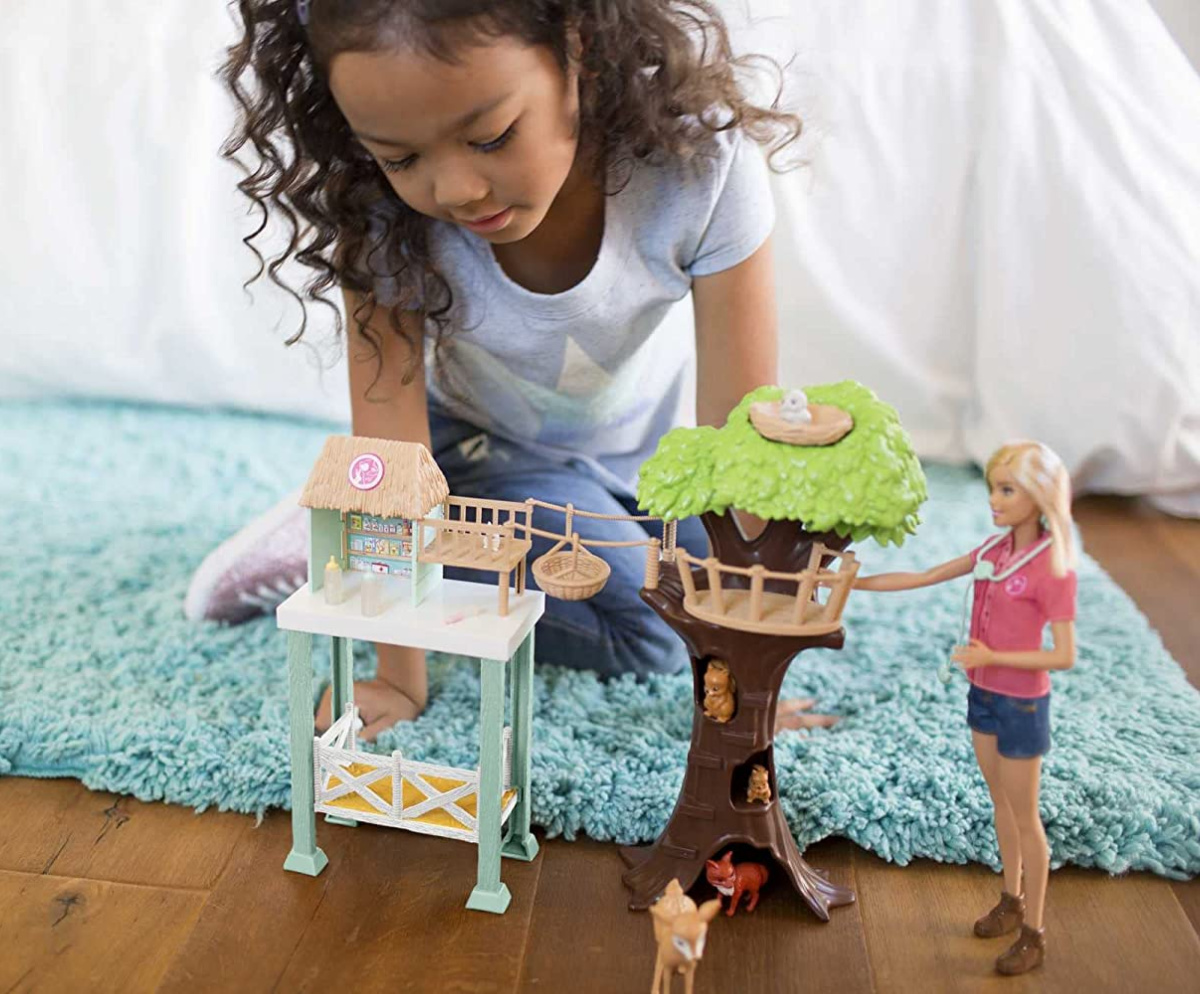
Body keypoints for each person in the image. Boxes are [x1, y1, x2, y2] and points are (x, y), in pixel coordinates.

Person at [189, 0, 830, 739]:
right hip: (474, 465)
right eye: (400, 158)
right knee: (652, 632)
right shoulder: (379, 213)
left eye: (491, 136)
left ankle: (356, 546)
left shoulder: (703, 165)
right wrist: (402, 676)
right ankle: (334, 550)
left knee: (772, 579)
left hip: (633, 465)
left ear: (577, 47)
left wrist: (748, 674)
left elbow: (737, 438)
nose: (456, 189)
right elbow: (395, 452)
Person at [854, 440, 1078, 976]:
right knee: (1000, 801)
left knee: (1026, 817)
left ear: (1039, 495)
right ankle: (1011, 897)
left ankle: (1035, 932)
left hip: (1022, 704)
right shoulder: (992, 552)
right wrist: (850, 582)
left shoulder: (1053, 568)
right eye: (993, 489)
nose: (995, 501)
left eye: (1007, 490)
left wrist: (993, 655)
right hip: (983, 694)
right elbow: (925, 576)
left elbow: (1064, 654)